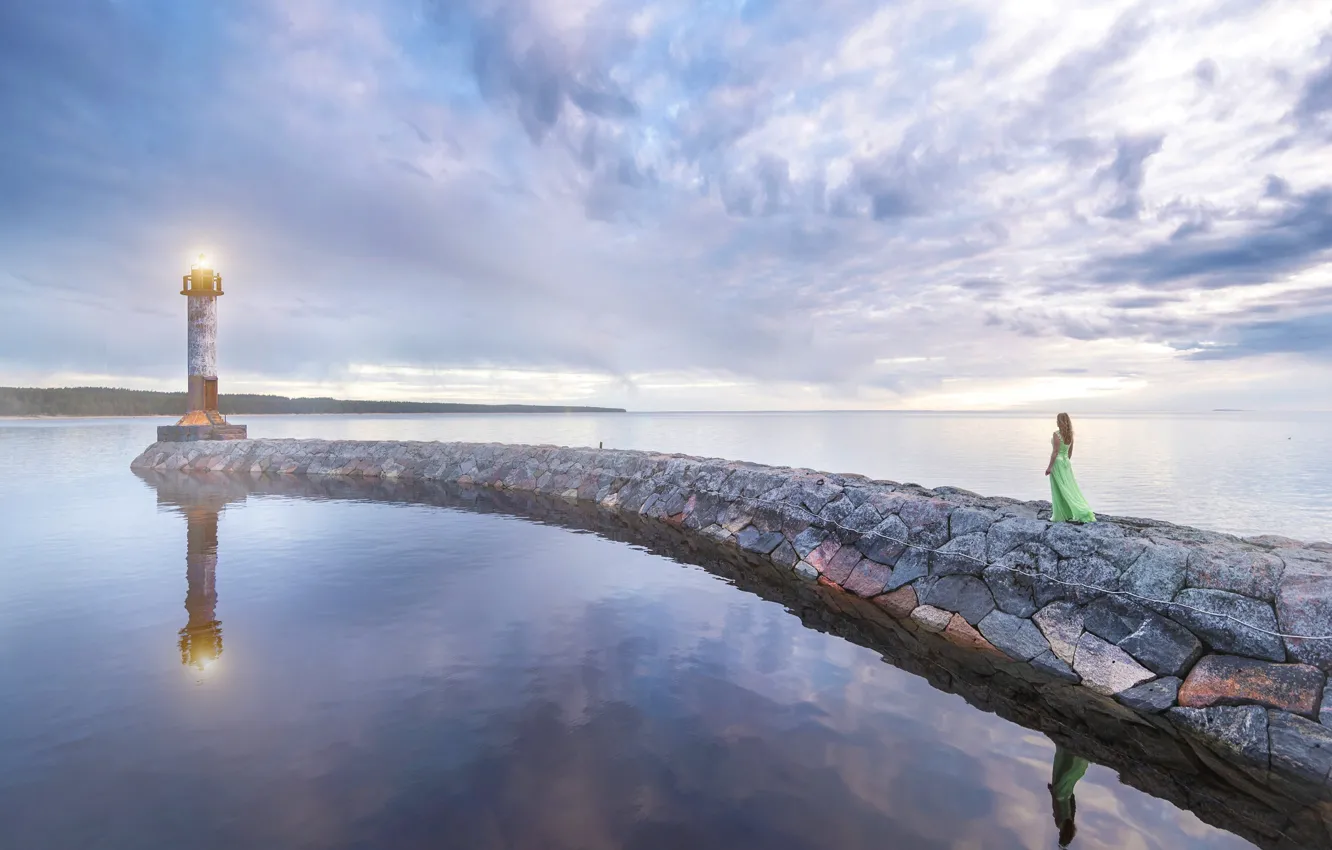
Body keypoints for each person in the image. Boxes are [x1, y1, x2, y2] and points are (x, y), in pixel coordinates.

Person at [1044, 412, 1096, 523]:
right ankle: (1069, 512)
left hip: (1057, 463)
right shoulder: (1070, 434)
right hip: (1066, 462)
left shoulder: (1056, 434)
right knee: (1069, 487)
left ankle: (1064, 514)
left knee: (1060, 488)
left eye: (1058, 420)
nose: (1056, 422)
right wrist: (1066, 462)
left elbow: (1055, 452)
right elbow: (1069, 452)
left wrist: (1049, 467)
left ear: (1060, 421)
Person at [1049, 744, 1089, 847]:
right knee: (1061, 768)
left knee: (1068, 775)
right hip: (1059, 794)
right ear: (1061, 835)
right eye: (1060, 836)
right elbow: (1056, 806)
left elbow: (1073, 807)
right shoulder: (1059, 824)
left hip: (1067, 795)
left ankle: (1074, 755)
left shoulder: (1071, 824)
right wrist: (1052, 793)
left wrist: (1071, 795)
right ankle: (1067, 750)